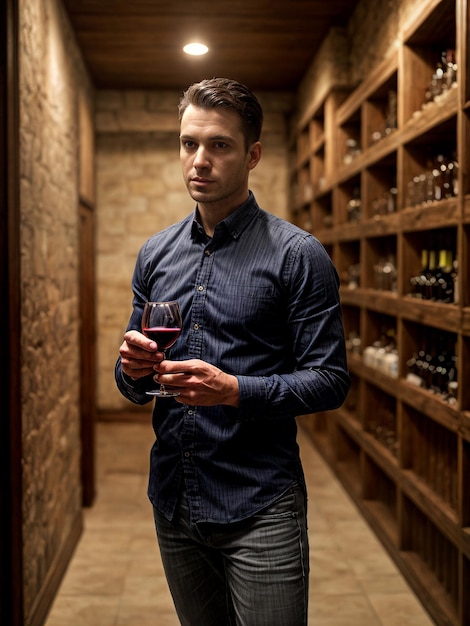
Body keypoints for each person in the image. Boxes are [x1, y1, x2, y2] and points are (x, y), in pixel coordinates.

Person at [115, 77, 350, 626]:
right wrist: (131, 369)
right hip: (174, 499)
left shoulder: (299, 256)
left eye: (218, 145)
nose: (199, 160)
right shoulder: (156, 254)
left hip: (260, 504)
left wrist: (235, 391)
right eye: (188, 143)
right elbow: (132, 383)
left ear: (252, 155)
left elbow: (329, 379)